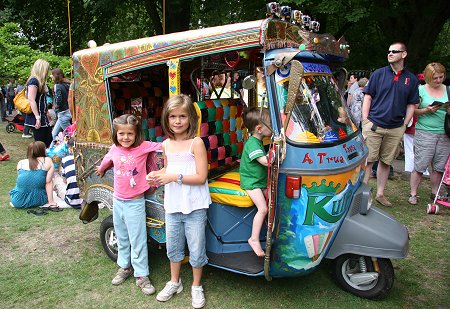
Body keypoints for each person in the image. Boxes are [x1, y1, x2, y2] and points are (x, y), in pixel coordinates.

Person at [146, 94, 210, 309]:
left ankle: (196, 286)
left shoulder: (196, 143)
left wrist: (173, 177)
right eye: (173, 116)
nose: (177, 121)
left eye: (182, 116)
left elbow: (201, 177)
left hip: (194, 205)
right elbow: (169, 168)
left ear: (191, 118)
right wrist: (157, 174)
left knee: (196, 248)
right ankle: (175, 282)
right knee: (173, 247)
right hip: (173, 204)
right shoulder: (166, 144)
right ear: (166, 118)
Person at [95, 114, 160, 295]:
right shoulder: (115, 149)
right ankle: (124, 267)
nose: (125, 137)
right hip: (118, 201)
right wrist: (101, 169)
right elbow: (107, 159)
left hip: (135, 203)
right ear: (116, 134)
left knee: (137, 239)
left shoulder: (143, 147)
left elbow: (163, 147)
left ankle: (141, 275)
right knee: (122, 237)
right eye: (121, 134)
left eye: (129, 134)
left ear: (136, 133)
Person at [362, 42, 419, 207]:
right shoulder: (379, 74)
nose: (390, 54)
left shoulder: (411, 79)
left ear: (404, 54)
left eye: (395, 51)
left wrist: (405, 124)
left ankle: (380, 193)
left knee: (386, 162)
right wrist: (365, 119)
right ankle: (363, 194)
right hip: (374, 125)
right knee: (369, 161)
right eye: (389, 51)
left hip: (395, 128)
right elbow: (368, 96)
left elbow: (411, 104)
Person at [408, 63, 450, 205]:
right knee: (420, 164)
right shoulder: (420, 90)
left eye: (441, 77)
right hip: (425, 132)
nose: (438, 80)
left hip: (444, 133)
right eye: (435, 78)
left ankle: (435, 193)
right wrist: (427, 110)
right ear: (427, 77)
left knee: (439, 167)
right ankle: (413, 193)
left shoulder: (448, 90)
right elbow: (412, 110)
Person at [239, 107, 272, 257]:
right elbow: (265, 161)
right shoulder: (252, 143)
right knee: (263, 209)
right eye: (270, 125)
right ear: (259, 129)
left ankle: (271, 232)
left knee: (273, 199)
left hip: (259, 181)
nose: (272, 128)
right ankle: (254, 239)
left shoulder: (258, 142)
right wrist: (277, 153)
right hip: (251, 182)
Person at [9, 141, 58, 209]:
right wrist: (51, 202)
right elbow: (48, 182)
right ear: (42, 150)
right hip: (39, 199)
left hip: (17, 200)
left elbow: (23, 182)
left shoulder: (21, 163)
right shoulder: (47, 161)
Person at [24, 59, 53, 147]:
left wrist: (46, 112)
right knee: (41, 143)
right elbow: (31, 100)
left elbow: (41, 100)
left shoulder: (40, 82)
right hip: (37, 117)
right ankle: (40, 159)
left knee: (48, 141)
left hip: (42, 116)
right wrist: (37, 117)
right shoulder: (34, 81)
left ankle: (43, 159)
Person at [50, 68, 72, 147]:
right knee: (54, 133)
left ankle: (74, 149)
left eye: (52, 75)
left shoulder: (57, 86)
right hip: (67, 111)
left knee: (70, 134)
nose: (51, 77)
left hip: (62, 113)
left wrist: (56, 106)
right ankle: (50, 149)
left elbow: (58, 99)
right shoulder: (66, 85)